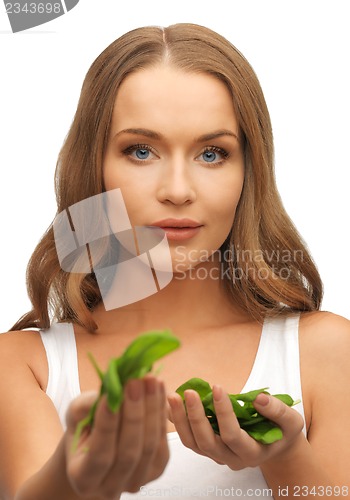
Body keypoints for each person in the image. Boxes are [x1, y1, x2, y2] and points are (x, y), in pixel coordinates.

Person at [0, 22, 349, 500]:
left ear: (249, 169)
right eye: (141, 151)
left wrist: (285, 457)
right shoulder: (23, 365)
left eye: (212, 153)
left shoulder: (327, 351)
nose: (178, 191)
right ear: (93, 167)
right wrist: (79, 476)